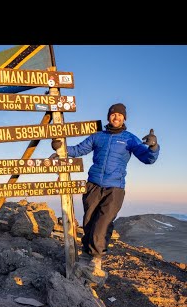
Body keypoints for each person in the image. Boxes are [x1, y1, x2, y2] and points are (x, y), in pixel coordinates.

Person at [50, 103, 160, 275]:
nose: (116, 118)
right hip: (93, 185)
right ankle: (87, 254)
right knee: (89, 221)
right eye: (113, 114)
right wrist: (61, 149)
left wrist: (153, 147)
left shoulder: (130, 138)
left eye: (120, 115)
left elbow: (147, 158)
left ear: (124, 118)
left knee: (103, 222)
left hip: (115, 188)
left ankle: (96, 258)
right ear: (109, 116)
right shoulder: (98, 136)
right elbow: (79, 149)